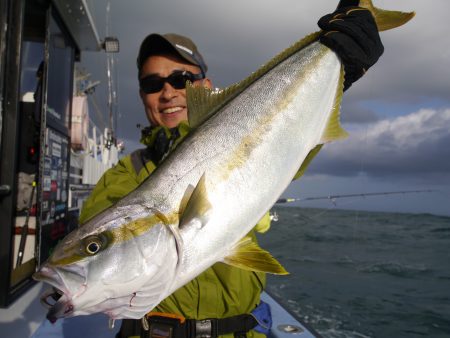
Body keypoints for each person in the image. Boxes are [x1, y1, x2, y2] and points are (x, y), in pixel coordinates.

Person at [79, 4, 384, 338]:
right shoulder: (124, 175)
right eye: (153, 84)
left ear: (205, 85)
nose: (167, 92)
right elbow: (106, 260)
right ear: (142, 96)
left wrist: (339, 70)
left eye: (181, 79)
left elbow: (289, 140)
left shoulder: (249, 140)